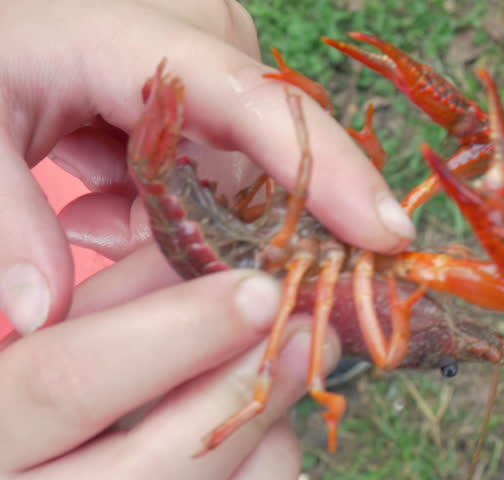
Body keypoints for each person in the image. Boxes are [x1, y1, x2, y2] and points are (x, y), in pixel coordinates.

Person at [0, 1, 415, 478]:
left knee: (281, 310)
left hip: (116, 213)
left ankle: (319, 340)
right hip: (53, 390)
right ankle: (320, 342)